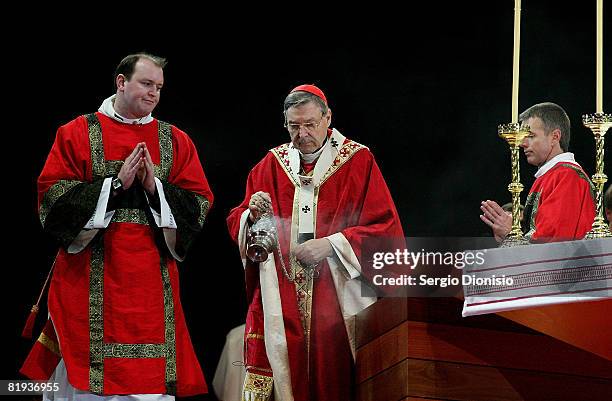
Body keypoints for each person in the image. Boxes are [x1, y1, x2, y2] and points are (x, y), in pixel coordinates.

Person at [20, 53, 213, 400]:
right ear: (121, 83)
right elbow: (52, 198)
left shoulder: (175, 140)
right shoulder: (77, 132)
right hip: (86, 279)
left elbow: (199, 202)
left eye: (159, 87)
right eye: (146, 83)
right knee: (84, 383)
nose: (154, 93)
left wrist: (155, 187)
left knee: (149, 383)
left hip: (153, 285)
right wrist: (116, 184)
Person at [226, 84, 404, 401]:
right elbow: (238, 216)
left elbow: (385, 228)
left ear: (327, 118)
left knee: (336, 378)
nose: (302, 133)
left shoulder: (357, 161)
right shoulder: (270, 165)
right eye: (294, 126)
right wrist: (252, 215)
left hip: (337, 298)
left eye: (310, 124)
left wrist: (333, 244)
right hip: (282, 295)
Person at [481, 102, 595, 243]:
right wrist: (509, 238)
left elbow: (554, 242)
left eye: (531, 135)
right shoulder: (550, 176)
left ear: (555, 136)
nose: (523, 143)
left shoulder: (566, 176)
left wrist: (511, 234)